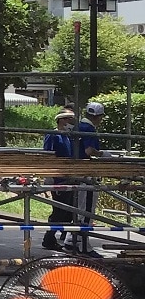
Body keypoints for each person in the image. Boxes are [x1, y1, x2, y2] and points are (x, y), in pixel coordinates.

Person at [71, 100, 106, 255]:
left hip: (76, 168)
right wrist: (102, 154)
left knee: (78, 206)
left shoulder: (78, 126)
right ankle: (84, 245)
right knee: (87, 208)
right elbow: (89, 151)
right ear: (98, 116)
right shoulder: (89, 129)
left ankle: (70, 241)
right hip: (86, 171)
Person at [42, 108, 76, 250]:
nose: (71, 122)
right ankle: (49, 238)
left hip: (67, 175)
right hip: (57, 177)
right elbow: (48, 154)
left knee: (68, 210)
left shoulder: (68, 136)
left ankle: (64, 235)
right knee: (59, 209)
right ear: (61, 120)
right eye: (68, 119)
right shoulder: (53, 134)